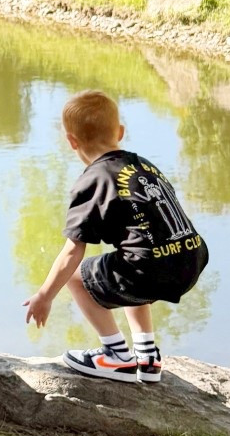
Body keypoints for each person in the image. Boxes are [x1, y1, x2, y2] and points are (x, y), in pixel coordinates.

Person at [24, 90, 208, 384]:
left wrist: (44, 296)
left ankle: (117, 355)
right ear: (120, 133)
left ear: (72, 141)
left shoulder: (93, 180)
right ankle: (147, 358)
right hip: (191, 258)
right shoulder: (144, 165)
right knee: (132, 257)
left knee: (77, 277)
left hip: (151, 268)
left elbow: (73, 251)